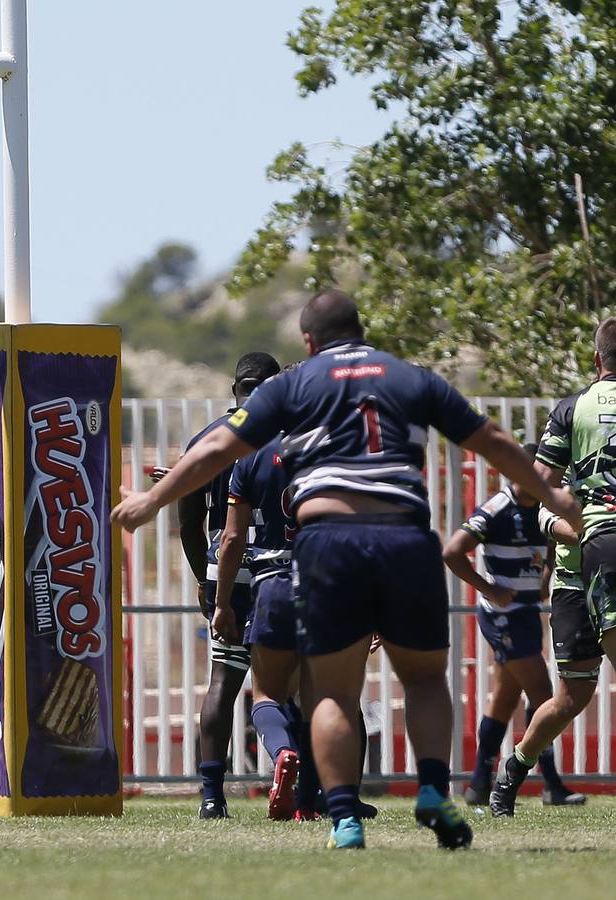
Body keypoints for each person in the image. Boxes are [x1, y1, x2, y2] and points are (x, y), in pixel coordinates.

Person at [114, 289, 580, 851]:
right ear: (361, 330)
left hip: (326, 543)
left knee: (330, 692)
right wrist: (552, 498)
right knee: (426, 678)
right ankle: (434, 789)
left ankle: (343, 819)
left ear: (309, 340)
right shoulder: (410, 378)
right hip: (405, 536)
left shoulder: (294, 384)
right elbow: (493, 440)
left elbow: (216, 447)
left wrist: (150, 501)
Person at [491, 319, 616, 814]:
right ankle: (512, 772)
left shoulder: (570, 409)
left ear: (596, 358)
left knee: (571, 696)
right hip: (587, 560)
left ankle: (508, 775)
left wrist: (561, 524)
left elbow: (538, 493)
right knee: (571, 696)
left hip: (582, 561)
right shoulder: (570, 410)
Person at [442, 448, 582, 807]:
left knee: (505, 699)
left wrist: (547, 575)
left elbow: (550, 544)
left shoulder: (543, 508)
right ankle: (551, 785)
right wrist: (490, 589)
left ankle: (476, 785)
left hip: (527, 613)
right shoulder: (497, 509)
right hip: (504, 617)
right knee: (543, 694)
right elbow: (453, 552)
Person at [180, 351, 279, 818]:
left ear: (232, 387)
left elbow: (188, 521)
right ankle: (309, 785)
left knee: (223, 682)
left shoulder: (207, 441)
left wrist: (205, 579)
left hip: (228, 572)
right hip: (280, 569)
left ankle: (211, 795)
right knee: (290, 685)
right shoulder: (288, 438)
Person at [214, 430, 310, 821]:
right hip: (326, 581)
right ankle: (316, 800)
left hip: (274, 582)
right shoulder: (338, 449)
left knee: (267, 695)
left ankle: (283, 753)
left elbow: (233, 538)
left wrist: (222, 603)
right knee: (322, 698)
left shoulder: (252, 456)